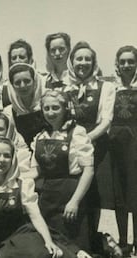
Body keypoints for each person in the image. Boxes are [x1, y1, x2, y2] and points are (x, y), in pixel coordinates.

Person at [0, 137, 66, 258]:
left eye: (6, 156)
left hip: (24, 233)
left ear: (13, 159)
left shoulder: (22, 184)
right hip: (1, 238)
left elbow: (35, 215)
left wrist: (48, 241)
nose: (1, 160)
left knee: (37, 254)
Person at [64, 41, 115, 252]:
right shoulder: (65, 88)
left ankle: (107, 240)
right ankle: (80, 241)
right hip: (73, 149)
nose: (83, 63)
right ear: (72, 62)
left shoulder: (106, 87)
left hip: (99, 147)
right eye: (79, 59)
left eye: (87, 59)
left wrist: (86, 139)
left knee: (102, 193)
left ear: (94, 63)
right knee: (78, 191)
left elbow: (106, 121)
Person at [30, 90, 94, 252]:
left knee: (73, 246)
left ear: (65, 109)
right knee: (50, 245)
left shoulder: (77, 132)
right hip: (47, 196)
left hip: (69, 193)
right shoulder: (39, 136)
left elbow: (88, 170)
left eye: (55, 108)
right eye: (47, 108)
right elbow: (35, 171)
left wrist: (75, 201)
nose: (50, 113)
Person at [109, 45, 137, 256]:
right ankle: (122, 240)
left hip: (135, 143)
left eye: (131, 61)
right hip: (115, 144)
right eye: (123, 62)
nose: (127, 65)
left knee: (135, 193)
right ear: (117, 65)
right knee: (118, 193)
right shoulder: (111, 87)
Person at [3, 63, 45, 147]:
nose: (23, 86)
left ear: (34, 82)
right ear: (12, 86)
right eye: (17, 82)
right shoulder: (9, 113)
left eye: (27, 81)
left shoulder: (46, 106)